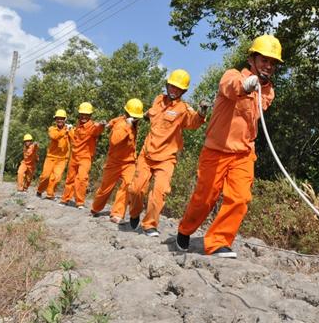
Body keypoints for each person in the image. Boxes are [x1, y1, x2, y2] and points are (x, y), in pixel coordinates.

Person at [175, 34, 282, 258]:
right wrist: (245, 85)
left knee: (240, 198)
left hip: (243, 153)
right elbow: (230, 87)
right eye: (264, 60)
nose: (269, 66)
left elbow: (257, 109)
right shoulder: (232, 75)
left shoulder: (268, 91)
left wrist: (257, 86)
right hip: (216, 150)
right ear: (252, 59)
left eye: (273, 63)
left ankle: (218, 242)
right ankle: (185, 229)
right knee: (205, 199)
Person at [128, 69, 209, 237]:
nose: (174, 90)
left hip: (166, 158)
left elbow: (193, 122)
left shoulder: (183, 109)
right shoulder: (158, 100)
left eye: (178, 89)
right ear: (167, 85)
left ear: (183, 91)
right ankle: (134, 213)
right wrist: (139, 117)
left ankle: (150, 224)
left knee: (160, 191)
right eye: (172, 86)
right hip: (147, 154)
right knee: (136, 190)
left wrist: (201, 112)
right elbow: (151, 113)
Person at [90, 98, 144, 223]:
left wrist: (108, 124)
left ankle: (117, 214)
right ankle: (96, 208)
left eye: (137, 117)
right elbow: (114, 140)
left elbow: (114, 120)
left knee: (128, 186)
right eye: (133, 116)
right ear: (127, 114)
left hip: (129, 162)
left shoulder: (122, 120)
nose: (135, 119)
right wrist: (127, 126)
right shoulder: (122, 125)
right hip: (114, 162)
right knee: (106, 188)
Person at [59, 102, 106, 209]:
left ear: (90, 116)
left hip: (85, 157)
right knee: (70, 178)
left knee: (81, 178)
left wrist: (102, 125)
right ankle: (65, 199)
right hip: (74, 156)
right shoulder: (78, 125)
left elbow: (97, 130)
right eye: (82, 114)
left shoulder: (93, 126)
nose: (84, 117)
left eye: (87, 115)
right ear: (79, 114)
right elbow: (74, 138)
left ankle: (79, 202)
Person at [36, 109, 72, 200]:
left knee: (56, 177)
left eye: (62, 118)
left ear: (65, 119)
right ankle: (40, 190)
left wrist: (71, 131)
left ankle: (50, 194)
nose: (60, 120)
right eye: (58, 118)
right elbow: (54, 136)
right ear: (55, 120)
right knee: (45, 176)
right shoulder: (52, 129)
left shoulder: (69, 129)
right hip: (51, 156)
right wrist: (65, 131)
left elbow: (75, 139)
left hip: (63, 158)